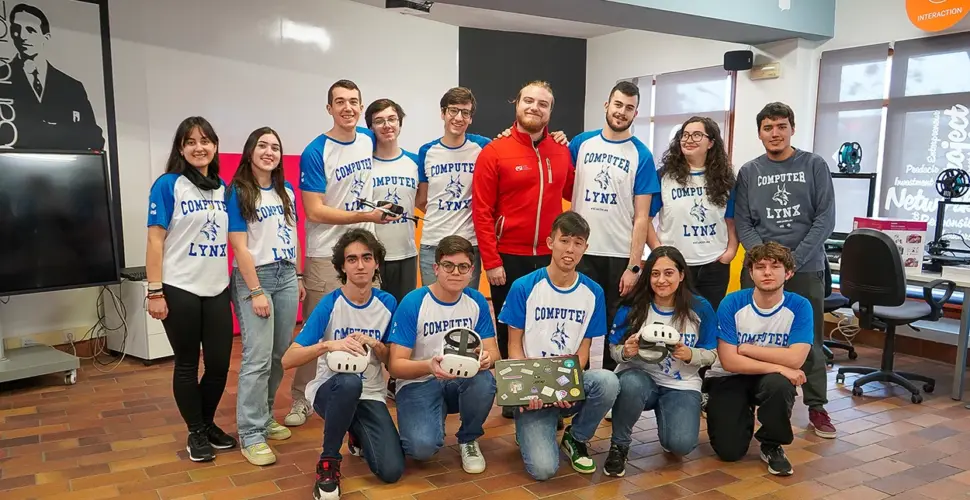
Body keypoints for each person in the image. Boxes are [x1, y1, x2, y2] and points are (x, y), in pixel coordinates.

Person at [286, 79, 397, 428]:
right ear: (329, 108)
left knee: (368, 323)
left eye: (353, 102)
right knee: (317, 331)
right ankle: (302, 397)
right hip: (325, 252)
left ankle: (367, 387)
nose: (347, 108)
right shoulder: (316, 150)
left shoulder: (367, 140)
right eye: (340, 102)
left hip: (365, 250)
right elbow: (315, 211)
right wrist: (365, 215)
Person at [733, 102, 836, 438]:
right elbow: (744, 222)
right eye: (767, 127)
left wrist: (791, 262)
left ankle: (818, 407)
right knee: (749, 335)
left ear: (792, 128)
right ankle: (747, 399)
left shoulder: (814, 164)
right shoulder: (750, 171)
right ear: (759, 132)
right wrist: (766, 262)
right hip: (759, 267)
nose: (774, 133)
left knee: (810, 339)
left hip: (806, 268)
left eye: (780, 126)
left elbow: (825, 218)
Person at [472, 80, 573, 420]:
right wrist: (491, 260)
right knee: (509, 327)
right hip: (508, 256)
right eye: (528, 101)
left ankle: (544, 395)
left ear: (550, 111)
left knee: (544, 326)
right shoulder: (494, 152)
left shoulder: (561, 151)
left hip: (549, 257)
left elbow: (574, 188)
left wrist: (567, 144)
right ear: (517, 104)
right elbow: (481, 211)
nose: (534, 107)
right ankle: (515, 396)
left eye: (542, 103)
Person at [282, 229, 404, 500]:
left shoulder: (387, 303)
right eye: (352, 259)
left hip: (371, 393)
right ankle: (328, 463)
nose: (360, 265)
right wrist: (328, 345)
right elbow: (288, 359)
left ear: (376, 263)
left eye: (366, 258)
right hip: (330, 390)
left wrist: (376, 345)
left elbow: (392, 364)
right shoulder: (330, 304)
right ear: (342, 266)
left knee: (391, 470)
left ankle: (355, 432)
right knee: (348, 382)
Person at [498, 211, 619, 480]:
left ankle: (575, 438)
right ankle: (531, 425)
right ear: (550, 242)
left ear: (585, 248)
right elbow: (513, 346)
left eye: (578, 243)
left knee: (608, 381)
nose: (570, 249)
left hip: (566, 381)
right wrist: (526, 390)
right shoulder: (524, 287)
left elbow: (584, 351)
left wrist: (568, 387)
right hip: (533, 389)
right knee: (543, 470)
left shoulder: (593, 292)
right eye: (564, 240)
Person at [145, 116, 235, 462]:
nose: (200, 147)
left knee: (217, 365)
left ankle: (207, 423)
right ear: (181, 148)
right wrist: (155, 291)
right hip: (179, 286)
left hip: (216, 288)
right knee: (186, 363)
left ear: (214, 146)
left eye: (206, 141)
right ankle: (196, 431)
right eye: (191, 142)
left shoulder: (221, 187)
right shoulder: (168, 184)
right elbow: (155, 240)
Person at [225, 127, 305, 466]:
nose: (269, 152)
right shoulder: (239, 191)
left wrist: (298, 275)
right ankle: (250, 432)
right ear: (250, 151)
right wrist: (256, 289)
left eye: (275, 147)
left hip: (286, 274)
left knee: (278, 355)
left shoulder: (285, 190)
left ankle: (265, 415)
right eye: (262, 145)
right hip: (254, 278)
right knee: (256, 358)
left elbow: (293, 235)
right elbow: (238, 245)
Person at [386, 235, 498, 474]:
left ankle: (468, 438)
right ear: (436, 268)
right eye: (448, 265)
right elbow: (395, 366)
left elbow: (494, 352)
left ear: (471, 271)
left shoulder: (476, 301)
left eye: (463, 267)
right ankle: (431, 412)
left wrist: (487, 359)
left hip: (460, 379)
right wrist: (429, 366)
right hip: (419, 382)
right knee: (421, 449)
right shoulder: (414, 302)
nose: (455, 272)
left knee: (484, 380)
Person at [567, 81, 659, 372]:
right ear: (607, 105)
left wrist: (634, 265)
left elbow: (642, 216)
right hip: (580, 250)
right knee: (574, 322)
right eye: (618, 105)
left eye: (629, 108)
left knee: (614, 326)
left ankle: (608, 387)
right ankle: (569, 390)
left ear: (636, 113)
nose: (622, 112)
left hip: (619, 255)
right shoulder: (580, 144)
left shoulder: (641, 155)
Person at [604, 246, 718, 477]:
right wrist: (625, 351)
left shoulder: (700, 308)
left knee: (681, 445)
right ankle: (620, 445)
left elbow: (713, 353)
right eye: (655, 274)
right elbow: (613, 350)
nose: (661, 280)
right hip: (639, 377)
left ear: (681, 274)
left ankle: (670, 419)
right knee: (630, 384)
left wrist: (691, 355)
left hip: (681, 383)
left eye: (668, 273)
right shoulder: (632, 306)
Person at [706, 242, 812, 477]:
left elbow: (795, 358)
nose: (767, 272)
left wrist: (747, 349)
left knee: (780, 385)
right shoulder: (732, 303)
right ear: (750, 272)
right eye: (760, 267)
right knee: (729, 452)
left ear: (789, 272)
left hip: (769, 380)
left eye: (775, 267)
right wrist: (779, 366)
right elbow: (729, 362)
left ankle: (771, 443)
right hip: (730, 377)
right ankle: (722, 407)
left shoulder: (800, 306)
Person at [647, 116, 737, 310]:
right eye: (685, 135)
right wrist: (658, 251)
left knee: (708, 323)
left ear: (711, 142)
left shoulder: (724, 179)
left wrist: (730, 253)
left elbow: (730, 220)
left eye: (697, 135)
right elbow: (645, 219)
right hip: (675, 265)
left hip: (714, 265)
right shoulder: (664, 176)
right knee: (676, 320)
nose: (689, 139)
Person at [2, 3, 105, 150]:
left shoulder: (72, 87)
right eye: (17, 29)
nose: (23, 36)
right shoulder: (3, 77)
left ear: (46, 37)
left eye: (30, 30)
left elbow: (95, 138)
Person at [416, 87, 490, 289]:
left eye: (465, 112)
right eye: (453, 110)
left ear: (471, 118)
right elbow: (422, 199)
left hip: (469, 243)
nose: (459, 117)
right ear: (443, 113)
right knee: (432, 303)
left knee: (466, 305)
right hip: (433, 242)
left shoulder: (483, 147)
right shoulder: (427, 151)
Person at [366, 98, 420, 303]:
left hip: (406, 253)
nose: (387, 125)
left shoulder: (414, 162)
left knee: (404, 313)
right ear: (370, 127)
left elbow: (422, 199)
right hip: (373, 254)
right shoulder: (364, 165)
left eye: (392, 119)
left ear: (400, 123)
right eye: (379, 121)